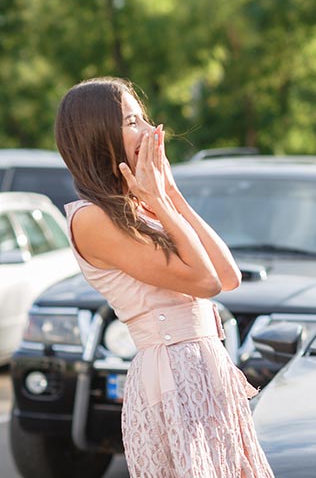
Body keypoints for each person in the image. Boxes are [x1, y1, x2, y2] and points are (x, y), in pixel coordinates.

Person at [54, 77, 273, 478]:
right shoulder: (90, 218)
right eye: (131, 121)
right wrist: (158, 199)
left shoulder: (142, 207)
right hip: (170, 373)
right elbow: (204, 282)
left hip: (207, 365)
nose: (151, 131)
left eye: (142, 118)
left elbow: (228, 275)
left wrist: (169, 192)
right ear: (96, 135)